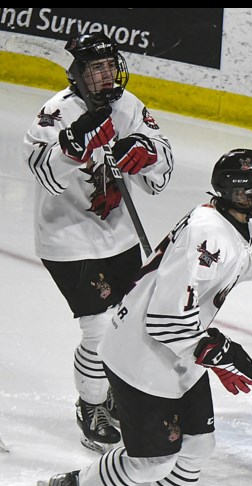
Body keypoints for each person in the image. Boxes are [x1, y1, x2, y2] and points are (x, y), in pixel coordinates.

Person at [37, 149, 252, 486]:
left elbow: (215, 272)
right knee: (152, 460)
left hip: (176, 358)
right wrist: (217, 353)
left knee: (198, 446)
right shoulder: (210, 235)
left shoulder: (224, 224)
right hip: (143, 359)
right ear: (237, 193)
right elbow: (166, 318)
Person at [23, 34, 174, 454]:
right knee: (101, 327)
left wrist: (146, 153)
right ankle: (91, 406)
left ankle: (111, 392)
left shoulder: (129, 106)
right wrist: (71, 148)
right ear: (77, 73)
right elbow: (41, 171)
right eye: (96, 68)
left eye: (111, 65)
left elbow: (162, 164)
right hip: (68, 240)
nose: (107, 74)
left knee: (128, 325)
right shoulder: (56, 113)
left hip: (119, 236)